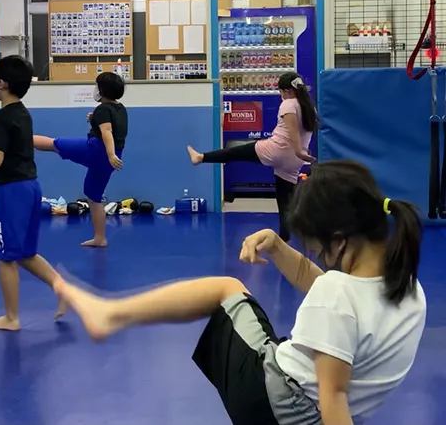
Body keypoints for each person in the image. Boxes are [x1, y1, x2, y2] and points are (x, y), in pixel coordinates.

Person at [55, 160, 426, 425]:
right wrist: (278, 247)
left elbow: (333, 397)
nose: (321, 259)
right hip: (301, 408)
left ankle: (110, 314)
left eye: (319, 250)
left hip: (274, 401)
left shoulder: (337, 293)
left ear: (340, 241)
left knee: (227, 288)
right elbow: (334, 298)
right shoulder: (407, 288)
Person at [0, 55, 67, 331]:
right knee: (26, 254)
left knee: (7, 257)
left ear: (2, 84)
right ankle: (62, 287)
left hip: (10, 192)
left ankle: (11, 317)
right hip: (30, 187)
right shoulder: (21, 113)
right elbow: (10, 146)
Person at [187, 71, 317, 242]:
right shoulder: (309, 107)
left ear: (287, 90)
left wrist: (298, 149)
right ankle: (284, 239)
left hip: (278, 150)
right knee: (285, 200)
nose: (281, 95)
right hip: (295, 160)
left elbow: (292, 130)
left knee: (235, 152)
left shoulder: (288, 104)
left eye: (281, 91)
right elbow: (305, 133)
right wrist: (301, 153)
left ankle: (201, 157)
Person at [33, 71, 128, 247]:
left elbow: (107, 132)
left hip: (97, 150)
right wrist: (94, 120)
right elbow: (114, 128)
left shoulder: (102, 109)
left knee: (55, 144)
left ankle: (21, 138)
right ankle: (100, 238)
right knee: (93, 195)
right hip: (111, 157)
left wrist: (110, 154)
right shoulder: (120, 108)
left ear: (102, 90)